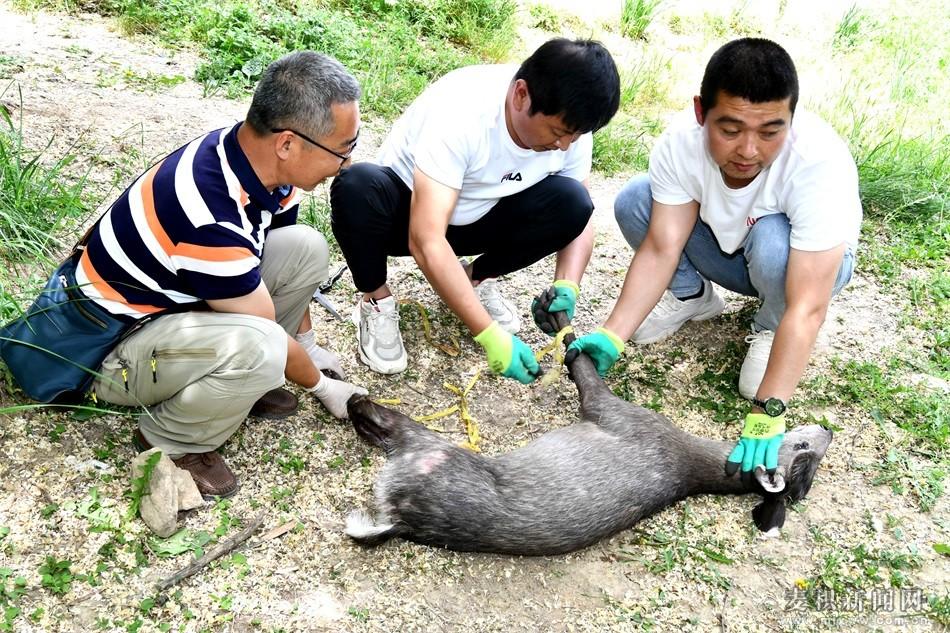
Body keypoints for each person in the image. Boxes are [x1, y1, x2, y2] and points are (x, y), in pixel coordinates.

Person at [77, 52, 367, 497]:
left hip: (178, 308)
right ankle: (173, 438)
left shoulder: (262, 168)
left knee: (304, 247)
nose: (345, 164)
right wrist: (324, 386)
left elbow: (275, 254)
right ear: (287, 143)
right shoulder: (209, 216)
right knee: (262, 344)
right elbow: (263, 324)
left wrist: (307, 345)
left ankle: (240, 382)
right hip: (111, 352)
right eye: (342, 149)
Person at [568, 38, 861, 477]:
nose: (748, 150)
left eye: (770, 131)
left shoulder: (818, 163)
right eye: (730, 129)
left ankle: (767, 325)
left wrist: (770, 408)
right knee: (636, 201)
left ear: (791, 117)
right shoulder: (679, 144)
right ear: (701, 111)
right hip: (730, 251)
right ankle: (692, 298)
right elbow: (662, 246)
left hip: (798, 268)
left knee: (772, 240)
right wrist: (614, 333)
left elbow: (809, 305)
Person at [330, 38, 620, 382]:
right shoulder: (463, 111)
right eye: (559, 132)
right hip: (409, 214)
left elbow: (581, 220)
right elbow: (425, 238)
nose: (564, 145)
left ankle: (473, 279)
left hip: (483, 216)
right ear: (521, 94)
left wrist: (567, 285)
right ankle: (376, 300)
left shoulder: (569, 127)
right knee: (356, 186)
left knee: (573, 203)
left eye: (575, 135)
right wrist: (489, 335)